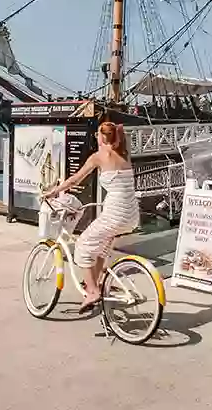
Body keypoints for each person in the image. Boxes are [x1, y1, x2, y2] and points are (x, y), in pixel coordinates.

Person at [44, 121, 138, 313]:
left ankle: (93, 291)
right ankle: (100, 282)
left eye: (97, 135)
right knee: (102, 246)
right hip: (132, 215)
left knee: (83, 245)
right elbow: (121, 134)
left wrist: (54, 191)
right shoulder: (124, 154)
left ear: (101, 137)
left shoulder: (98, 157)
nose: (96, 137)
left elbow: (75, 179)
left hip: (116, 213)